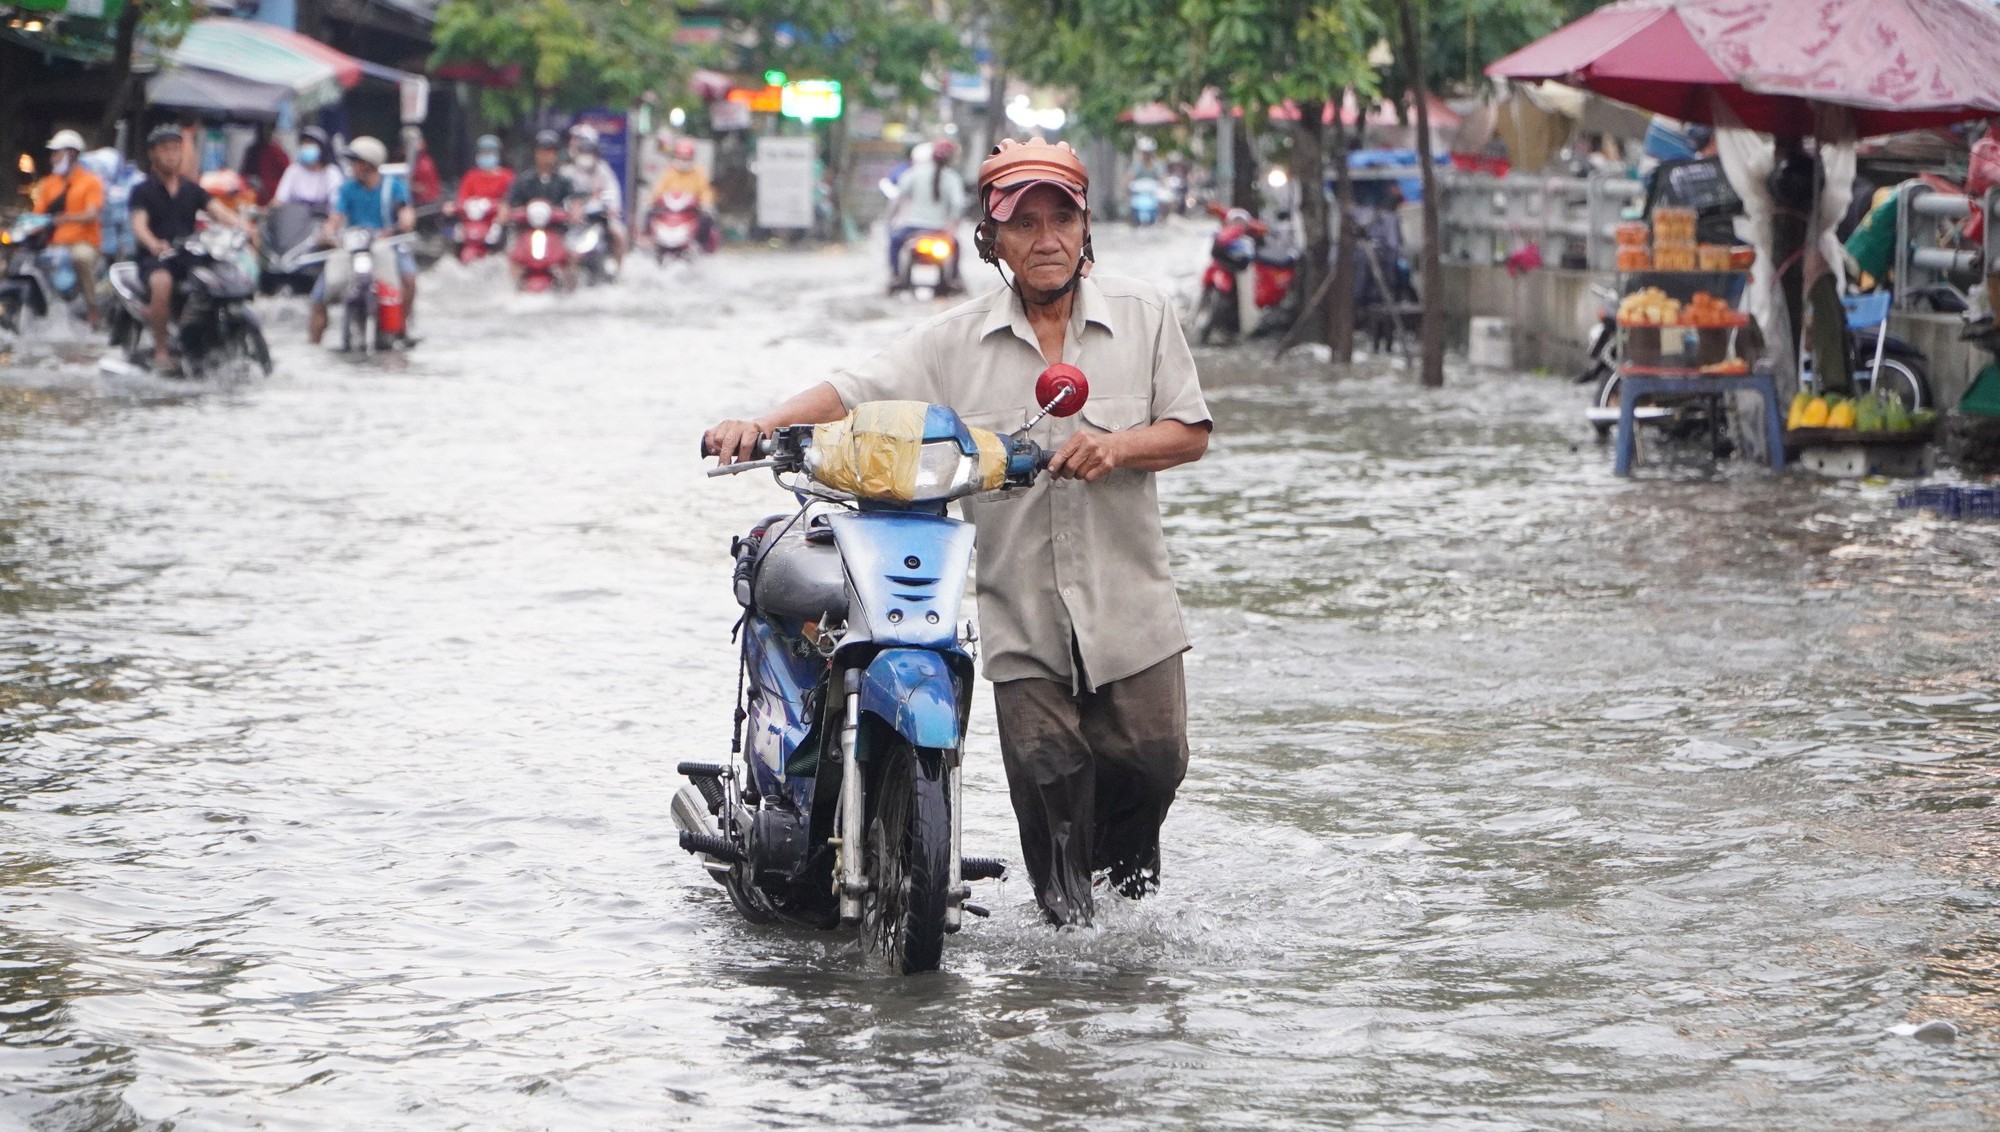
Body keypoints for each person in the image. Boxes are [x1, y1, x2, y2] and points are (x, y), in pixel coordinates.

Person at [704, 138, 1211, 928]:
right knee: (1048, 781)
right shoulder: (954, 341)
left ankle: (1126, 920)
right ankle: (1071, 944)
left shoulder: (1145, 317)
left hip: (1131, 608)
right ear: (992, 241)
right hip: (1022, 616)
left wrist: (1116, 446)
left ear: (1086, 229)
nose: (1047, 238)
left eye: (1062, 219)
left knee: (1155, 764)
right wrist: (761, 422)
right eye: (1025, 223)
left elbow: (1189, 431)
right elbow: (855, 391)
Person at [130, 124, 252, 374]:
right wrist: (154, 243)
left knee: (220, 277)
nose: (172, 155)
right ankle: (161, 350)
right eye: (165, 149)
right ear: (152, 154)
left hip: (188, 255)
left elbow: (218, 211)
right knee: (162, 282)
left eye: (176, 149)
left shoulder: (191, 189)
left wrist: (244, 227)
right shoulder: (142, 191)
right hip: (157, 259)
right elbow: (139, 226)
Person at [308, 136, 417, 346]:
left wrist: (404, 222)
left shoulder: (394, 186)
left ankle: (403, 326)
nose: (352, 167)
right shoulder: (347, 189)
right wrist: (328, 232)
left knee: (409, 278)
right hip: (353, 245)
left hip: (386, 243)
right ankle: (313, 343)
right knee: (319, 295)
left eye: (355, 162)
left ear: (368, 164)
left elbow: (406, 212)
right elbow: (335, 218)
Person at [31, 129, 106, 328]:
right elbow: (37, 215)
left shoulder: (91, 182)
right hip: (54, 243)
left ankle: (93, 309)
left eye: (57, 152)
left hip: (83, 243)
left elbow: (92, 214)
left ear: (71, 153)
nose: (53, 157)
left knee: (80, 257)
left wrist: (65, 218)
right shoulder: (49, 183)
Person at [504, 129, 580, 289]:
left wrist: (575, 213)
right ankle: (510, 290)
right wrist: (505, 213)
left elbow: (575, 202)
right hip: (525, 232)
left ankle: (572, 292)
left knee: (571, 256)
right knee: (513, 256)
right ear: (536, 153)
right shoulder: (524, 180)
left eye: (551, 151)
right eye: (544, 151)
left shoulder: (563, 181)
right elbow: (508, 202)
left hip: (556, 232)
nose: (547, 156)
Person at [885, 137, 966, 284]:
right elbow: (958, 205)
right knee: (956, 247)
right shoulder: (953, 178)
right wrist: (952, 229)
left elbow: (898, 197)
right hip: (941, 230)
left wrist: (891, 218)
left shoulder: (914, 173)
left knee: (895, 242)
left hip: (913, 228)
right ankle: (954, 279)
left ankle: (895, 276)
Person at [561, 123, 626, 270]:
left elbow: (612, 191)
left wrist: (611, 207)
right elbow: (563, 195)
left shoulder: (602, 169)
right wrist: (570, 209)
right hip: (572, 221)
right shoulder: (567, 171)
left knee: (619, 235)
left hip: (599, 219)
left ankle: (616, 271)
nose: (575, 143)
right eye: (574, 140)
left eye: (579, 140)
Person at [648, 136, 718, 252]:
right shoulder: (669, 172)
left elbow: (705, 191)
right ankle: (651, 240)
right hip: (670, 211)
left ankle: (700, 245)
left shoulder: (698, 172)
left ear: (692, 158)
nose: (684, 161)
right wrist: (652, 201)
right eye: (681, 158)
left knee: (707, 219)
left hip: (691, 211)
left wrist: (706, 204)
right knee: (649, 214)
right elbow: (659, 188)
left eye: (687, 158)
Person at [272, 126, 343, 210]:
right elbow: (280, 199)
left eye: (311, 144)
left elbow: (336, 204)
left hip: (322, 219)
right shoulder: (293, 170)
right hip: (295, 218)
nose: (306, 147)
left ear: (322, 149)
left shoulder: (331, 172)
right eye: (304, 144)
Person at [457, 134, 515, 210]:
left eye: (489, 152)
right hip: (473, 218)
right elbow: (462, 200)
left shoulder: (507, 176)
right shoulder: (471, 176)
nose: (485, 155)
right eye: (483, 152)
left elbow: (511, 201)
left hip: (498, 218)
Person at [239, 124, 290, 206]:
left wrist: (267, 186)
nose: (264, 133)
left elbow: (287, 174)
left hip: (273, 196)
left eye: (268, 130)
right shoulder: (252, 150)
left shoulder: (277, 152)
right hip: (253, 196)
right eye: (262, 130)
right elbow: (244, 173)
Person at [401, 125, 442, 209]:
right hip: (417, 203)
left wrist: (407, 185)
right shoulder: (411, 163)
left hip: (426, 205)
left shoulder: (424, 164)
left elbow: (423, 189)